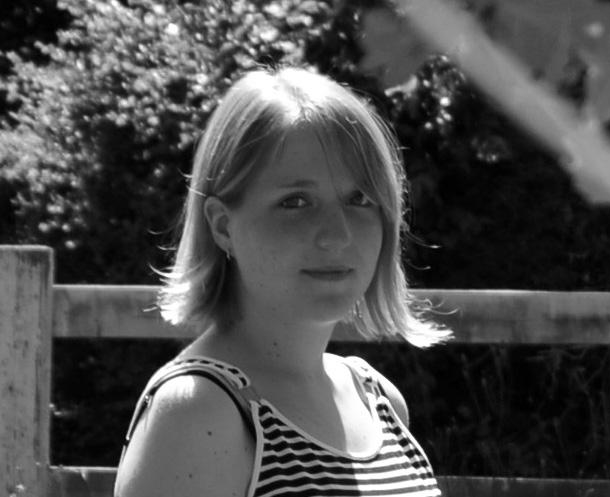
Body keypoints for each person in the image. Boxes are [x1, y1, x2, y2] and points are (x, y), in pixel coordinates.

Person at [114, 66, 450, 497]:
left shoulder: (380, 401)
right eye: (296, 202)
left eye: (360, 199)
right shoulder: (198, 412)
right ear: (222, 226)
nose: (337, 235)